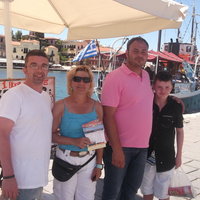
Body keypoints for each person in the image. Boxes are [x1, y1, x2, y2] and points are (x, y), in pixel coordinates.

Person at [101, 37, 154, 200]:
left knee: (130, 192)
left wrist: (173, 100)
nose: (140, 55)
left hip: (142, 147)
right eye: (136, 51)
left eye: (143, 51)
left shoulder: (145, 76)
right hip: (120, 147)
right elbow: (107, 116)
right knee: (112, 193)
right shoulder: (114, 78)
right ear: (127, 54)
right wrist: (116, 149)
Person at [0, 50, 53, 200]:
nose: (39, 70)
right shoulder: (14, 95)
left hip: (38, 177)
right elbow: (1, 135)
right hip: (19, 180)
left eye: (44, 66)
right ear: (25, 69)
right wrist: (8, 176)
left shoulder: (45, 97)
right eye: (34, 65)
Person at [52, 65, 104, 200]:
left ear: (90, 83)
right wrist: (73, 141)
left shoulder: (97, 107)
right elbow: (50, 135)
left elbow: (99, 141)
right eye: (77, 79)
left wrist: (99, 165)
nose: (81, 83)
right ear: (71, 81)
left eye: (86, 80)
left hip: (89, 160)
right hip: (65, 159)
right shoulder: (60, 105)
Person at [140, 71, 184, 200]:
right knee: (146, 190)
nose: (163, 91)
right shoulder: (146, 102)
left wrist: (179, 155)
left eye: (167, 87)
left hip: (167, 156)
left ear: (172, 88)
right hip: (146, 154)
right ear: (153, 86)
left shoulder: (175, 106)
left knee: (164, 193)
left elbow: (180, 131)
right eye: (159, 87)